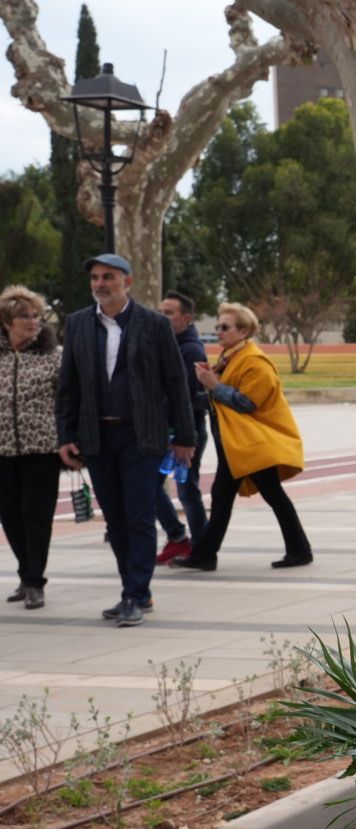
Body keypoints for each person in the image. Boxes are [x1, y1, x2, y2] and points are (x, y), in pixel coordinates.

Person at [56, 254, 196, 626]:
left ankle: (133, 594)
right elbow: (68, 388)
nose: (101, 283)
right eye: (96, 278)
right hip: (96, 437)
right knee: (115, 521)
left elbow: (176, 385)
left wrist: (185, 436)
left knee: (138, 517)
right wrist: (65, 436)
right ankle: (137, 590)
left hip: (141, 436)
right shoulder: (78, 324)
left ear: (127, 282)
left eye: (109, 277)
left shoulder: (153, 325)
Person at [170, 303, 311, 571]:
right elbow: (219, 400)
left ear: (244, 331)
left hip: (253, 444)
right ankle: (206, 554)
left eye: (225, 327)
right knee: (226, 496)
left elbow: (247, 402)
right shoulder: (230, 358)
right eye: (218, 327)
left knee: (265, 495)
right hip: (238, 444)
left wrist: (214, 385)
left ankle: (298, 549)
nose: (219, 332)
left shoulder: (253, 361)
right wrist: (207, 385)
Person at [0, 287, 61, 610]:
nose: (33, 321)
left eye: (36, 316)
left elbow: (66, 401)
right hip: (3, 450)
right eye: (25, 316)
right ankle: (26, 573)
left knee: (36, 516)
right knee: (10, 515)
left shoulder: (54, 355)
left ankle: (36, 581)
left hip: (42, 448)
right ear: (7, 321)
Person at [153, 292, 210, 563]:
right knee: (168, 487)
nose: (161, 317)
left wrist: (176, 434)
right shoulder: (171, 344)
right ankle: (182, 539)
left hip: (184, 432)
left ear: (186, 318)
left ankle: (197, 547)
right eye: (160, 311)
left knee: (186, 490)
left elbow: (181, 395)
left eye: (169, 313)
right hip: (172, 431)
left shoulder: (190, 350)